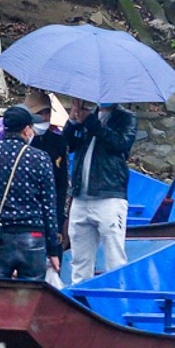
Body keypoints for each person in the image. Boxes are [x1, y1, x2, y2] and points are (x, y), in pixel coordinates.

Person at [0, 105, 62, 281]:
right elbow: (49, 207)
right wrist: (53, 249)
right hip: (32, 235)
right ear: (26, 130)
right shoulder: (40, 158)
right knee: (31, 296)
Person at [63, 99, 138, 283]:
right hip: (80, 195)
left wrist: (90, 122)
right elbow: (67, 145)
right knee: (79, 258)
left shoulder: (126, 118)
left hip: (109, 195)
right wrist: (72, 122)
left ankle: (118, 298)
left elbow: (120, 144)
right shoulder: (89, 116)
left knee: (114, 255)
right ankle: (79, 299)